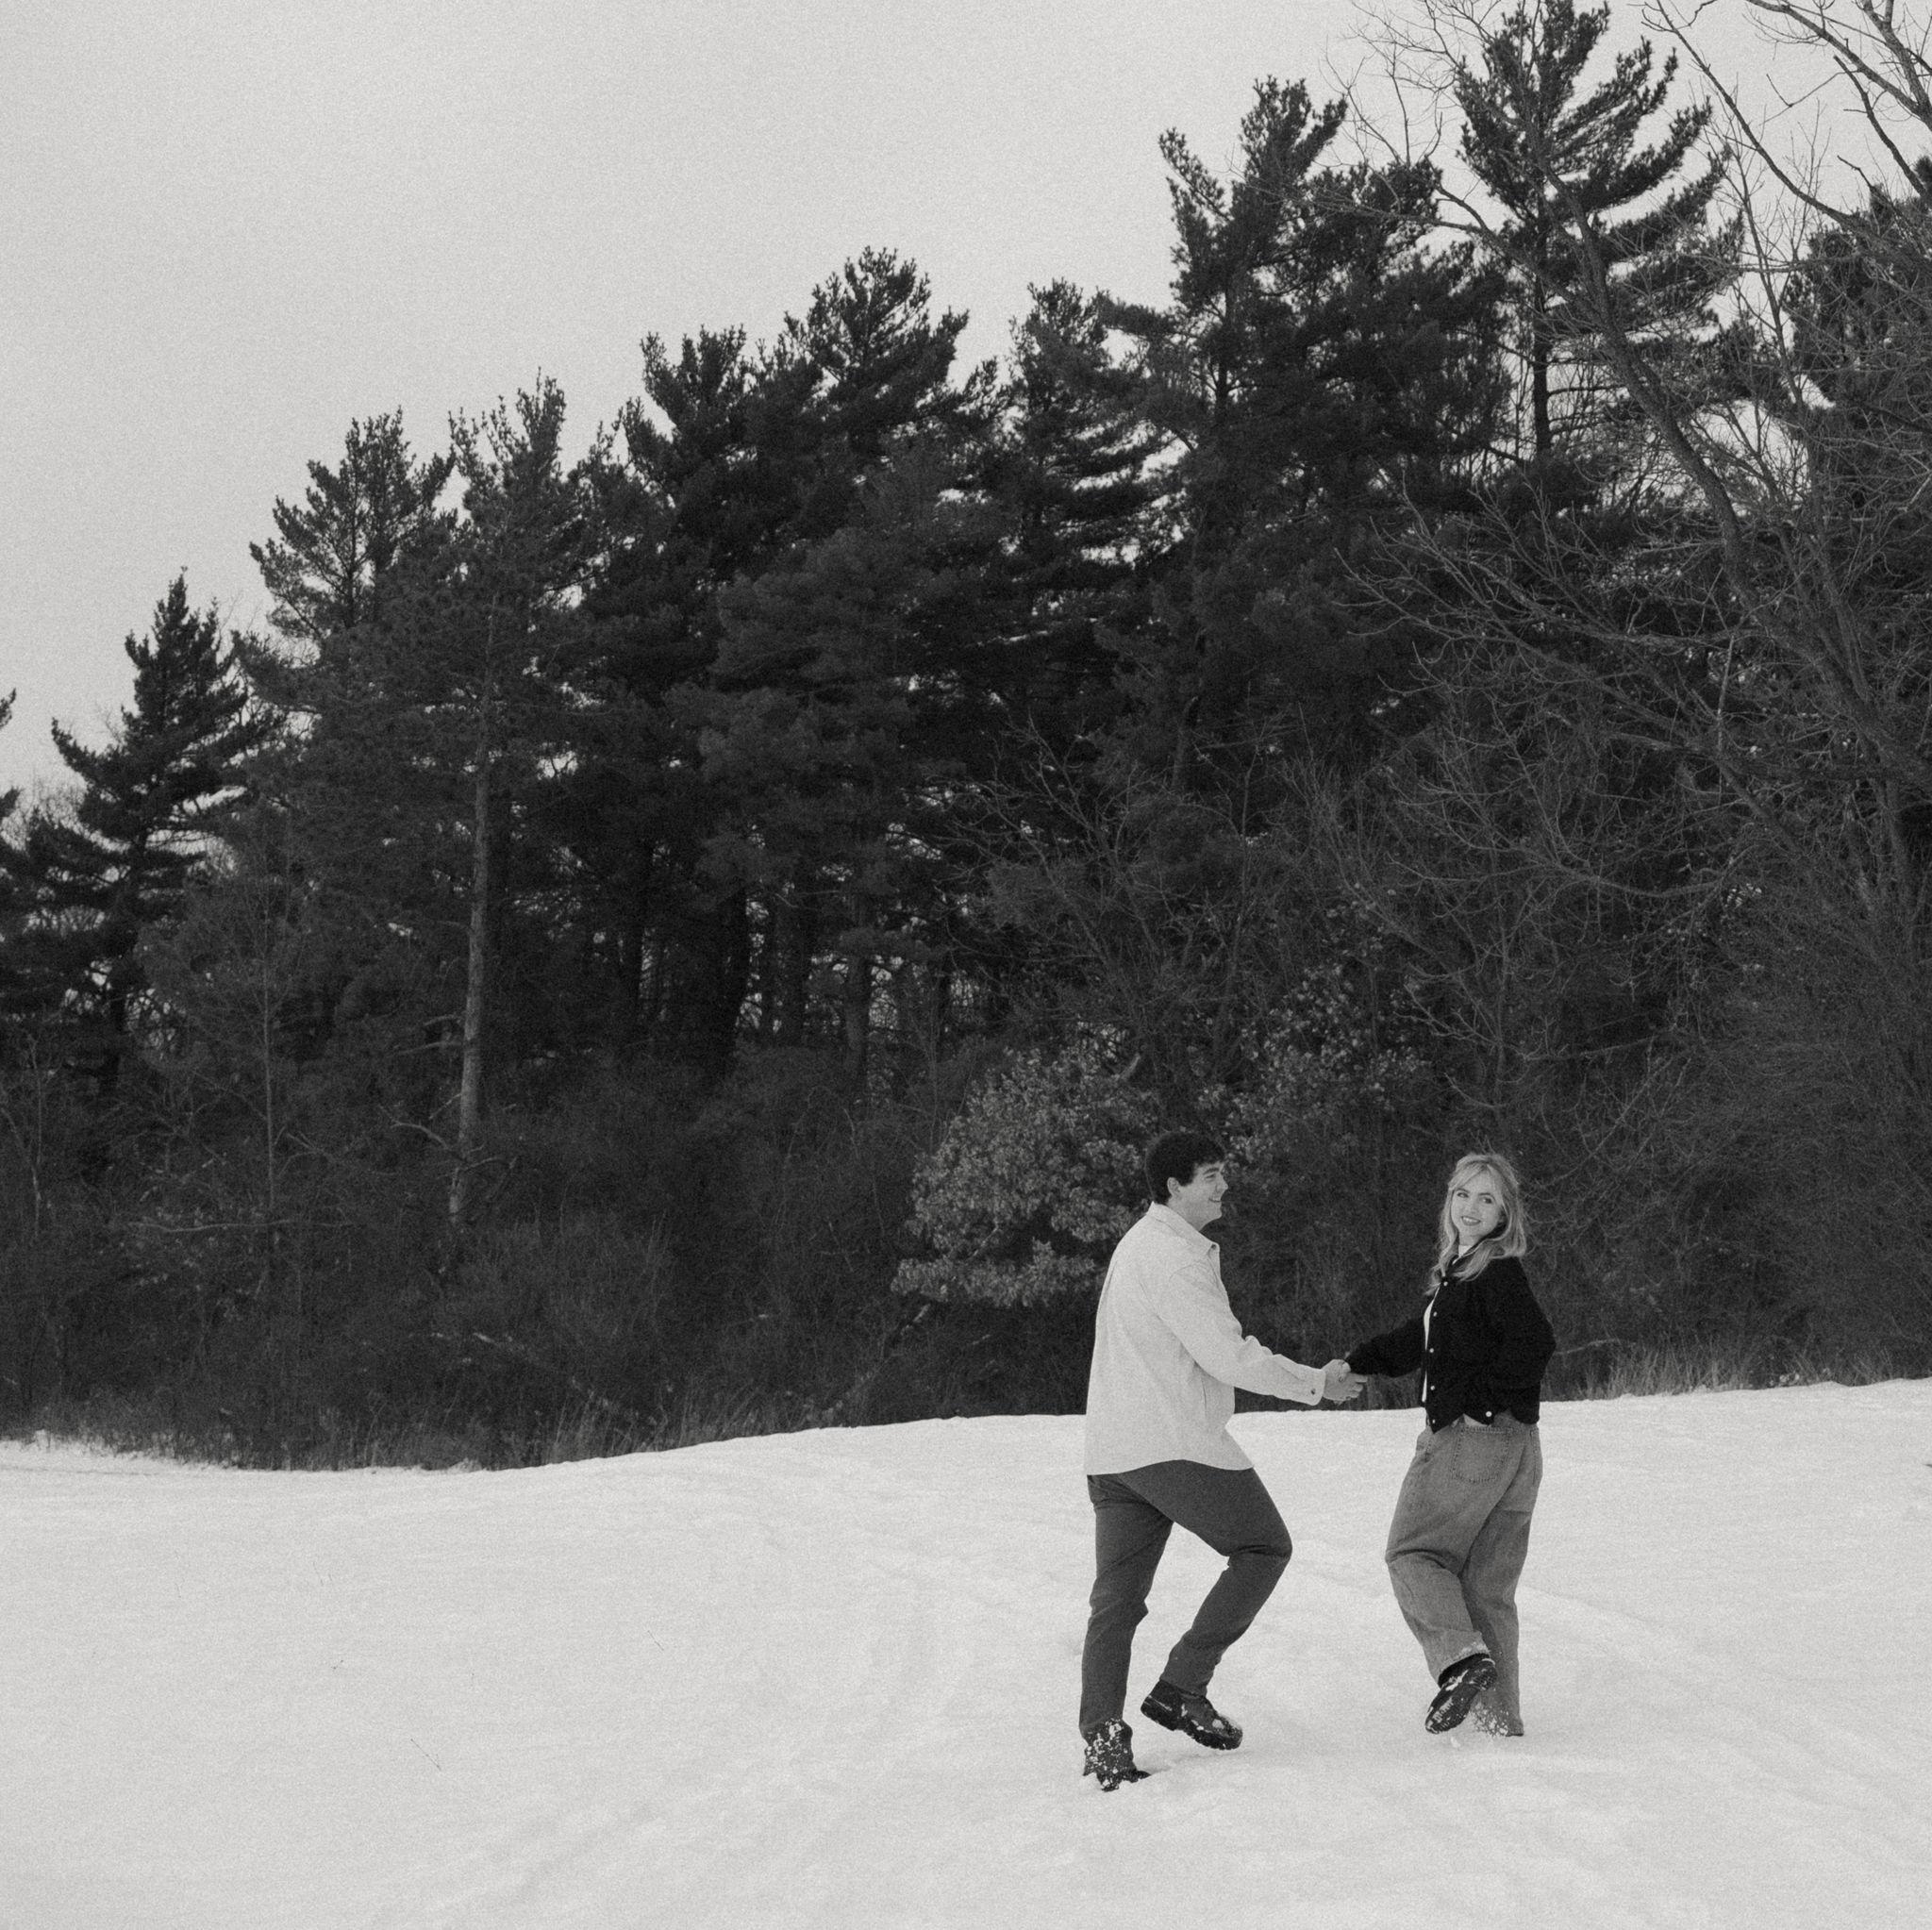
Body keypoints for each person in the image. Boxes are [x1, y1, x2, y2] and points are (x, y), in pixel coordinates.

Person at [1078, 1129, 1364, 1790]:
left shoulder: (1139, 1245)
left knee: (1116, 1601)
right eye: (1210, 1175)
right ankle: (1183, 1684)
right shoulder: (1173, 1260)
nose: (1223, 1184)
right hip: (1170, 1445)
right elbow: (1228, 1357)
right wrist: (1315, 1383)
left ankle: (1103, 1739)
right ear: (1174, 1188)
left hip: (1114, 1452)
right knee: (1264, 1547)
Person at [1344, 1152, 1556, 1738]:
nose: (1471, 1208)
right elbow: (1420, 1339)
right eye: (1464, 1194)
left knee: (1414, 1555)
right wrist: (1359, 1362)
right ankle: (1497, 1724)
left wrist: (1481, 1407)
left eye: (1487, 1199)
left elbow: (1535, 1343)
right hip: (1518, 1451)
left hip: (1473, 1443)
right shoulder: (1460, 1273)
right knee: (1487, 1590)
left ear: (1505, 1213)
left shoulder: (1496, 1272)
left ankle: (1461, 1660)